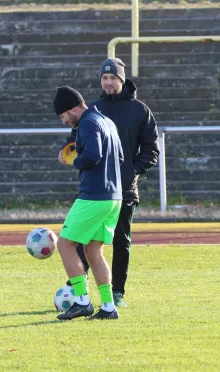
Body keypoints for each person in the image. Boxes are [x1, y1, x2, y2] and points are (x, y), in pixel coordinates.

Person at [58, 58, 160, 308]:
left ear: (122, 80)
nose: (108, 82)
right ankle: (81, 291)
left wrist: (132, 172)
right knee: (87, 243)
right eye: (104, 78)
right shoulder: (94, 109)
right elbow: (75, 141)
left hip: (121, 187)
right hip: (101, 187)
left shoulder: (139, 110)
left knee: (119, 241)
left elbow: (151, 150)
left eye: (113, 78)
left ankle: (115, 293)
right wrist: (69, 152)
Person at [53, 85, 124, 320]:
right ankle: (108, 307)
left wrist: (73, 161)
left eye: (63, 116)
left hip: (94, 195)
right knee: (93, 250)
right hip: (114, 197)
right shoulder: (107, 121)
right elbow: (120, 157)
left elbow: (93, 155)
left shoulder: (87, 123)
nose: (64, 122)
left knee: (65, 245)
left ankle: (82, 301)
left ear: (73, 108)